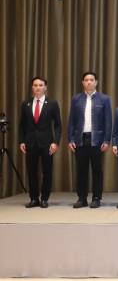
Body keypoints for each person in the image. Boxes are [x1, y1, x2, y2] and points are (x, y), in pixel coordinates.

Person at [67, 71, 112, 209]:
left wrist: (106, 140)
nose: (89, 82)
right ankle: (82, 198)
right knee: (81, 170)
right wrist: (70, 139)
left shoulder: (104, 99)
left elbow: (108, 121)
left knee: (97, 170)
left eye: (91, 80)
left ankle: (96, 198)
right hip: (80, 139)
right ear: (83, 83)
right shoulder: (76, 99)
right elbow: (72, 121)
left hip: (97, 140)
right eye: (86, 80)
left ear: (96, 82)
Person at [18, 76, 62, 208]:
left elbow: (58, 125)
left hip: (47, 143)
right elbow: (22, 125)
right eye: (35, 85)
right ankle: (34, 198)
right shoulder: (26, 103)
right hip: (30, 143)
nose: (38, 87)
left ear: (45, 87)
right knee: (31, 171)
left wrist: (55, 142)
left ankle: (44, 198)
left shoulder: (52, 103)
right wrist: (21, 141)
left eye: (40, 85)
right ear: (32, 87)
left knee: (47, 172)